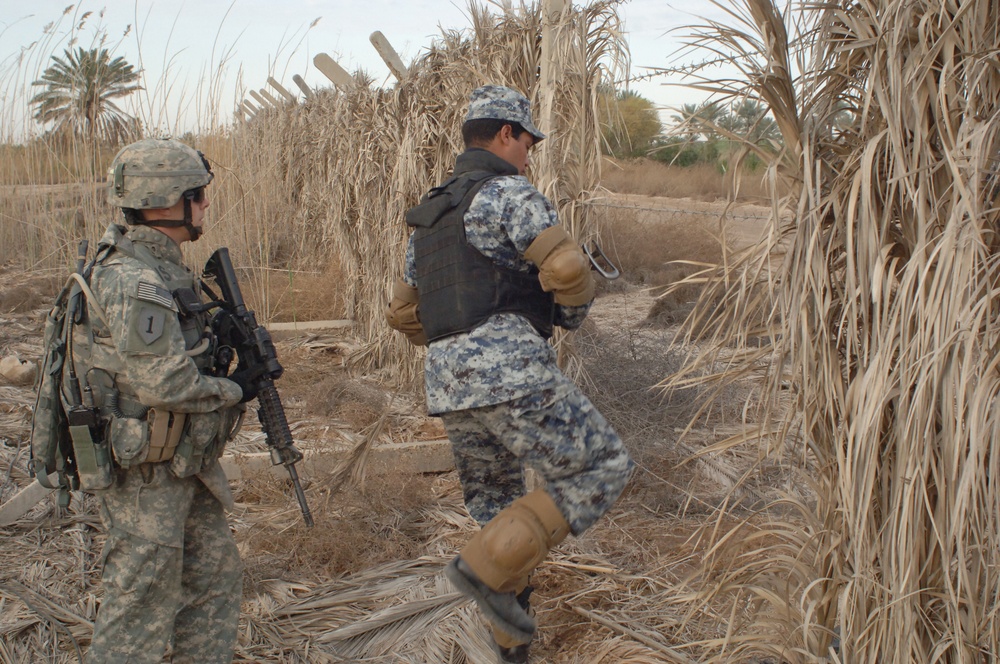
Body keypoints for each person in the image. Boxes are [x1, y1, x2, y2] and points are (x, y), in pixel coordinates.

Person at [386, 85, 634, 663]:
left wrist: (458, 348)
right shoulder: (509, 192)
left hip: (448, 384)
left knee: (500, 513)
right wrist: (568, 311)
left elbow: (403, 313)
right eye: (528, 141)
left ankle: (509, 648)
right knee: (602, 466)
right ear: (505, 134)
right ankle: (476, 571)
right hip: (511, 375)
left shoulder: (430, 212)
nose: (530, 152)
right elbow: (567, 267)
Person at [78, 138, 250, 663]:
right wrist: (233, 390)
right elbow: (164, 383)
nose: (205, 207)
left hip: (179, 463)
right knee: (139, 609)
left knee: (214, 581)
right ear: (171, 200)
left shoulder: (161, 269)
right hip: (146, 473)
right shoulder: (134, 279)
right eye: (198, 196)